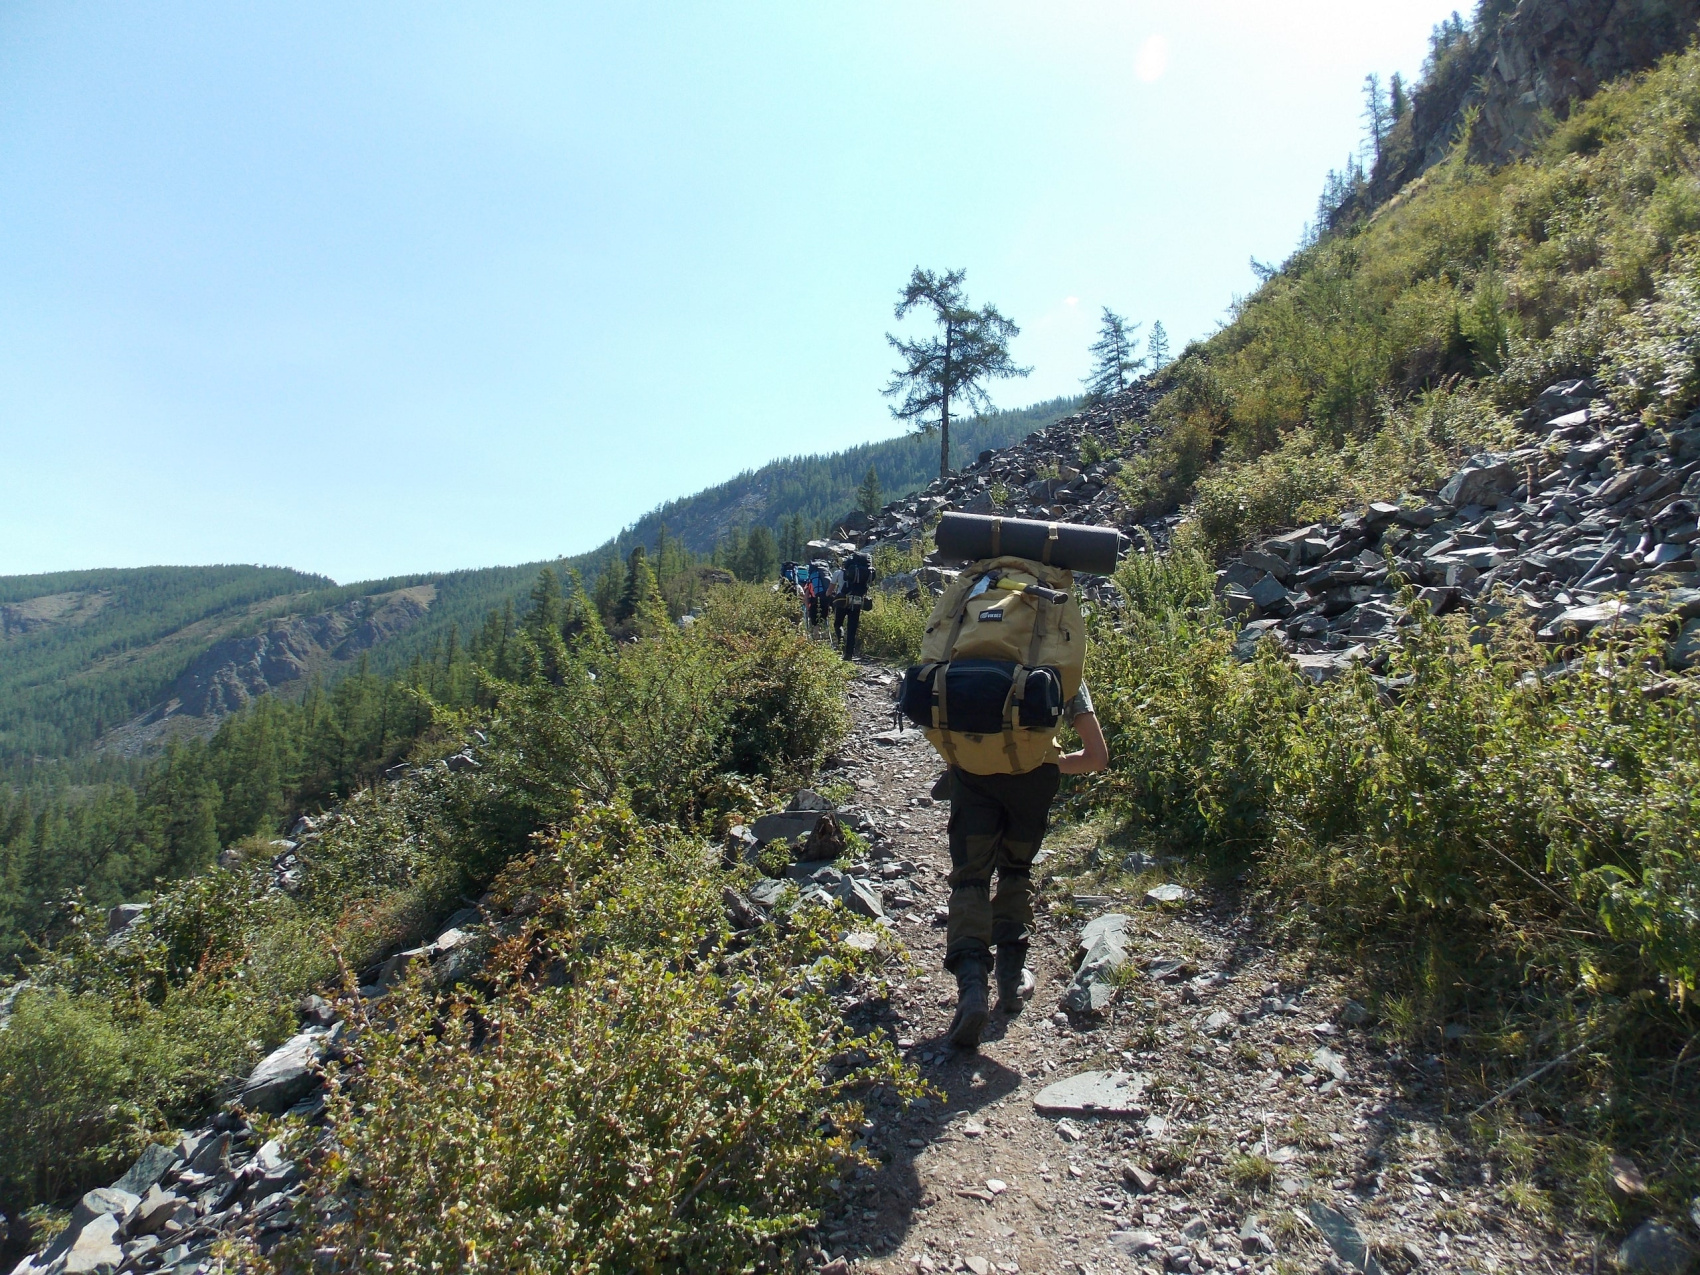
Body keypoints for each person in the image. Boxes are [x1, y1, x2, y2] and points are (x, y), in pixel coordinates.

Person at [944, 681, 1109, 1049]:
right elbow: (1097, 757)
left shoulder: (969, 643)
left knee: (971, 878)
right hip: (1034, 782)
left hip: (972, 773)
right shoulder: (1060, 662)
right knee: (1016, 870)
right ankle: (1011, 980)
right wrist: (1047, 763)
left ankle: (972, 991)